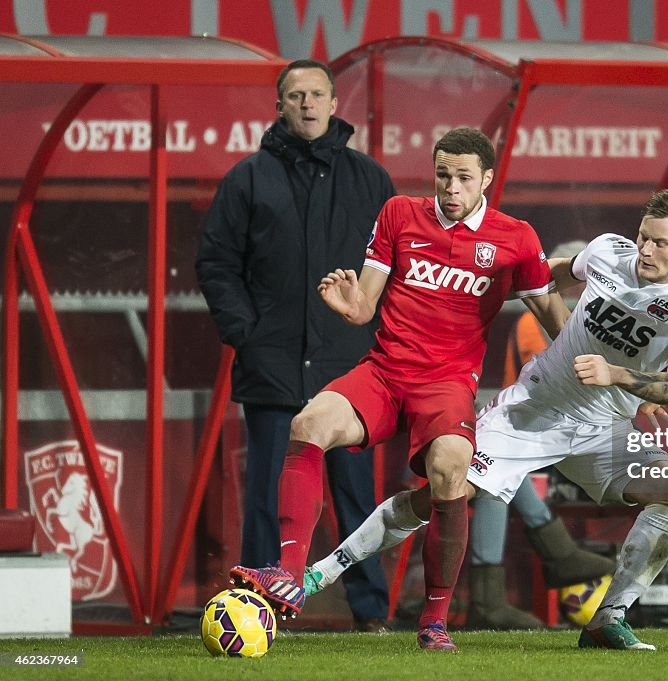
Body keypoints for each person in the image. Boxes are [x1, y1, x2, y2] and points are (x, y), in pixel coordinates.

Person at [302, 186, 668, 651]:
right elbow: (544, 277)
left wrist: (619, 375)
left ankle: (608, 617)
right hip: (532, 411)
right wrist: (478, 292)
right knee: (443, 494)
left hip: (605, 427)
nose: (645, 249)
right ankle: (321, 573)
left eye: (660, 243)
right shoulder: (608, 251)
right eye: (643, 236)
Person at [228, 127, 569, 651]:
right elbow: (366, 305)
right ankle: (288, 574)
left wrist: (591, 363)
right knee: (308, 424)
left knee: (452, 467)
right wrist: (349, 308)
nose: (450, 187)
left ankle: (434, 621)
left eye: (462, 178)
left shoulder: (515, 238)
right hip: (385, 371)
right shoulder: (399, 214)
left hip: (448, 382)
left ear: (487, 180)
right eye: (442, 175)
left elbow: (552, 314)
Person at [195, 59, 395, 632]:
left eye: (317, 94)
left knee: (357, 500)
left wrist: (378, 336)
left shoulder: (372, 181)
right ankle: (256, 611)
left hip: (353, 370)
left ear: (335, 104)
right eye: (295, 95)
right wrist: (247, 335)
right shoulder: (248, 178)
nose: (307, 104)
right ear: (279, 105)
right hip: (272, 364)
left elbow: (397, 269)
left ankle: (371, 615)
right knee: (266, 498)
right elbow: (216, 263)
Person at [467, 239, 614, 630]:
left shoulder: (593, 320)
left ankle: (551, 558)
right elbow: (563, 382)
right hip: (536, 424)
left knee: (499, 473)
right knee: (497, 472)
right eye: (589, 279)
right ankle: (554, 554)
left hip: (543, 426)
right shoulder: (536, 321)